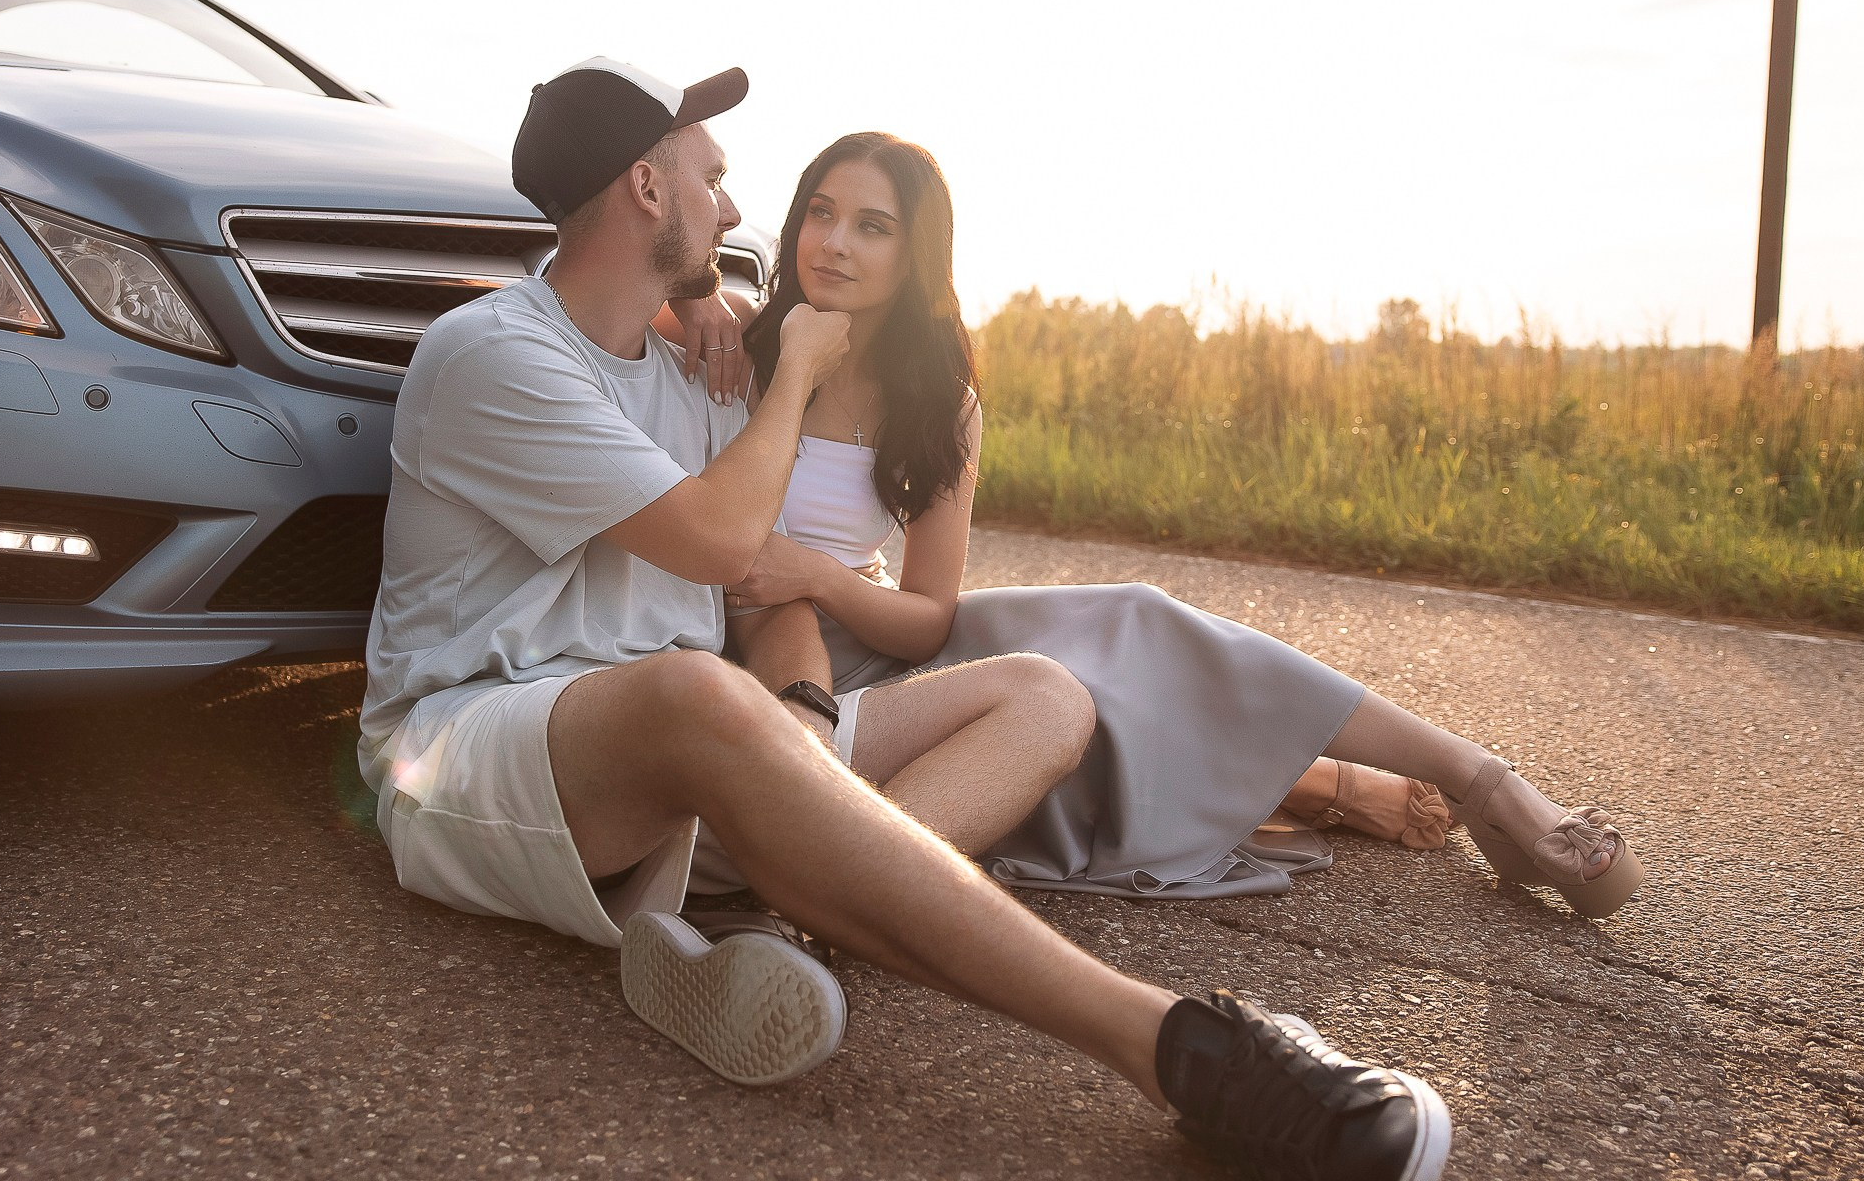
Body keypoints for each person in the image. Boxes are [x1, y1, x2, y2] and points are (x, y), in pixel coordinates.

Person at [361, 58, 1452, 1181]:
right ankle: (1186, 1050)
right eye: (713, 179)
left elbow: (773, 583)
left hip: (695, 754)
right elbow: (730, 546)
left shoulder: (687, 370)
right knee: (699, 690)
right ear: (647, 188)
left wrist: (714, 320)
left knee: (1044, 692)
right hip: (468, 753)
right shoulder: (498, 353)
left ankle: (782, 925)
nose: (739, 213)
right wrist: (789, 377)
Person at [677, 131, 1644, 916]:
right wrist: (705, 304)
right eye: (820, 211)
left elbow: (929, 615)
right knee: (1083, 706)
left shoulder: (941, 403)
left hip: (858, 622)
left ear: (917, 253)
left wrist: (820, 575)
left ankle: (1485, 782)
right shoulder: (735, 339)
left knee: (1133, 621)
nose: (833, 242)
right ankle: (1328, 784)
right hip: (772, 657)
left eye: (873, 225)